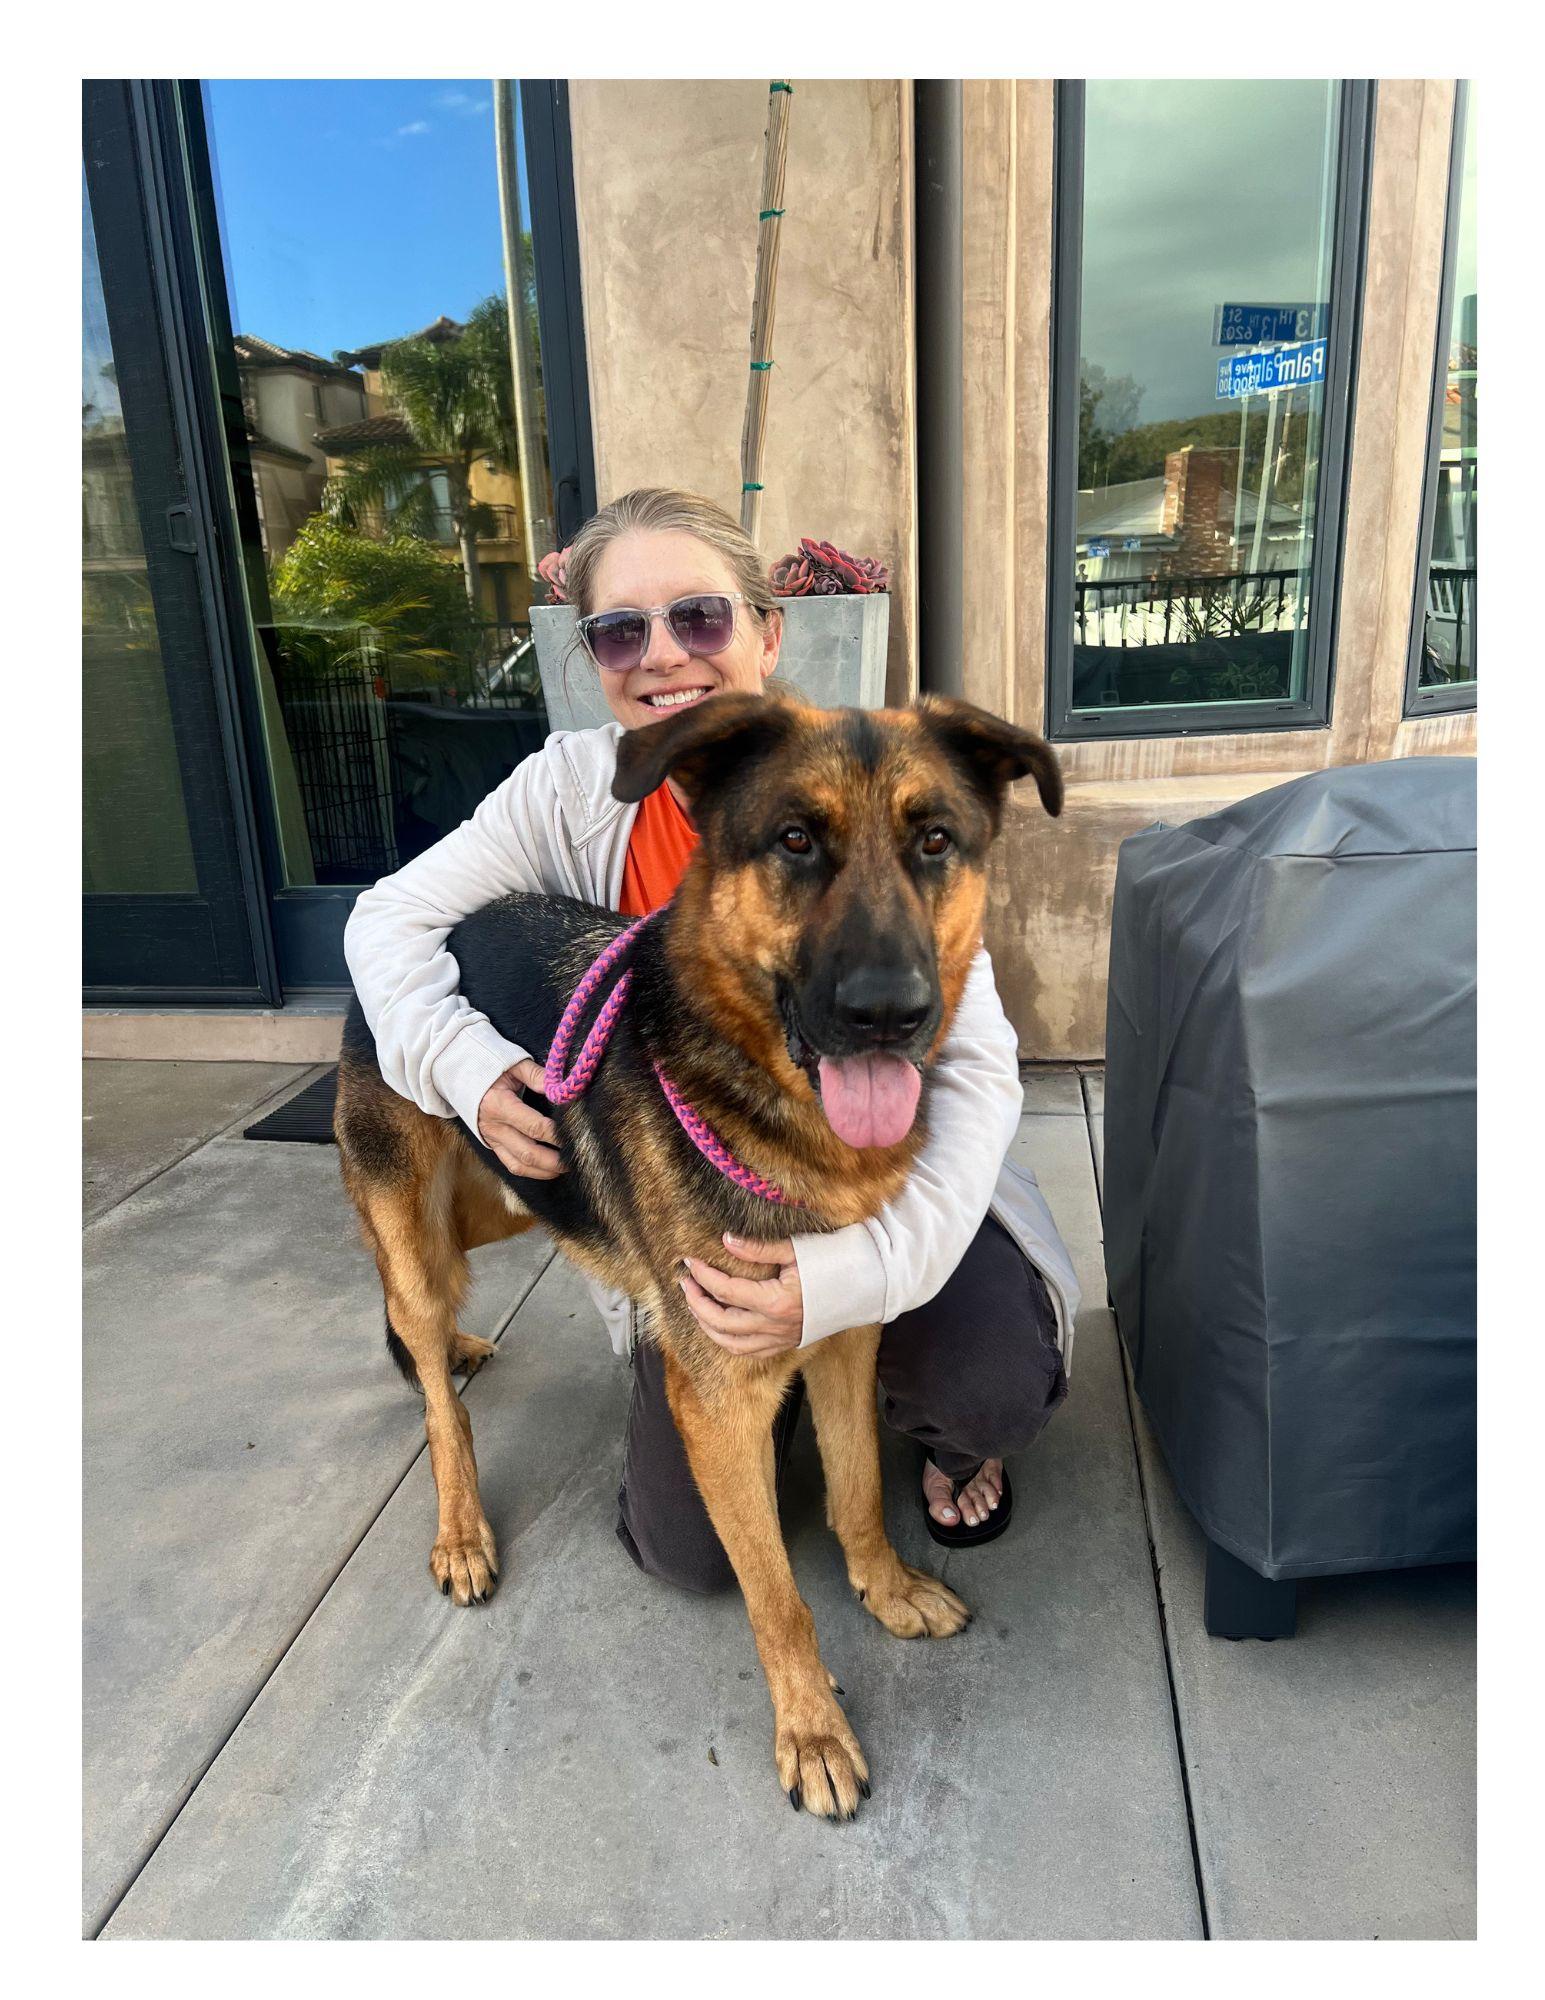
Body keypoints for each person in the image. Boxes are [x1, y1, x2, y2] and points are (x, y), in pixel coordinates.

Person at [345, 487, 1080, 1588]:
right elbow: (385, 919)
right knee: (684, 1552)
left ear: (768, 631)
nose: (662, 656)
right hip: (688, 1189)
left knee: (984, 1371)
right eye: (619, 629)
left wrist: (837, 1287)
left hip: (889, 1193)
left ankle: (928, 1434)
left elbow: (973, 1082)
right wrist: (463, 1063)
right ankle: (452, 1450)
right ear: (590, 652)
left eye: (699, 616)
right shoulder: (568, 788)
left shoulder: (894, 782)